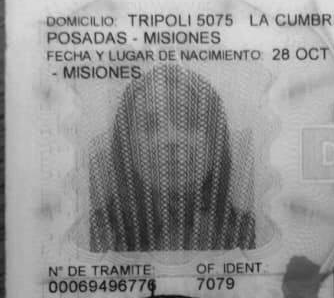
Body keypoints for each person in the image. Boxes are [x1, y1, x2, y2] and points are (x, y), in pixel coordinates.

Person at [88, 64, 255, 252]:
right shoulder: (101, 232)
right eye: (150, 125)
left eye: (189, 122)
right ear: (126, 143)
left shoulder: (242, 233)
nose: (171, 139)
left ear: (215, 140)